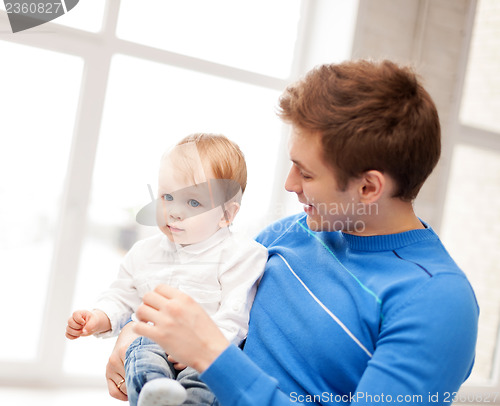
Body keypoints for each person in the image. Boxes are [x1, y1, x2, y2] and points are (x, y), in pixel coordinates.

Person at [106, 60, 479, 405]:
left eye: (307, 172)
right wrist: (132, 337)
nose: (289, 184)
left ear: (368, 187)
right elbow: (205, 301)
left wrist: (211, 355)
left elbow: (209, 346)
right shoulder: (290, 233)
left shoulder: (436, 302)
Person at [66, 134, 268, 406]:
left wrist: (199, 351)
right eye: (167, 197)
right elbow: (122, 296)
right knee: (139, 346)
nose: (173, 211)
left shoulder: (240, 255)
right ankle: (154, 395)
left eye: (193, 203)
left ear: (226, 215)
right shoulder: (144, 253)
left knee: (209, 378)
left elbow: (234, 316)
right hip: (154, 346)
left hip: (205, 352)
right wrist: (99, 316)